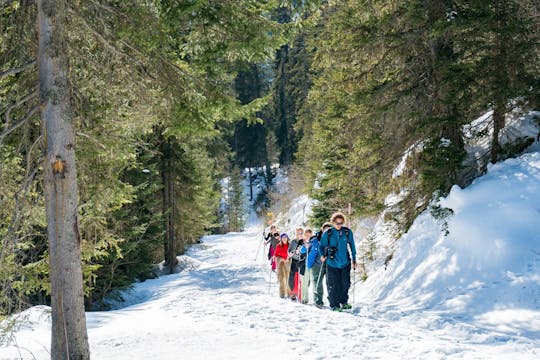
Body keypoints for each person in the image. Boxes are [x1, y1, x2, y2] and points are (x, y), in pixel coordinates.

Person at [319, 212, 357, 311]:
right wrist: (322, 255)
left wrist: (354, 259)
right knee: (334, 284)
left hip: (345, 263)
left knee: (345, 283)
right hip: (332, 263)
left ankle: (344, 302)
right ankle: (334, 304)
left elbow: (352, 246)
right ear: (333, 222)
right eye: (337, 223)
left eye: (341, 223)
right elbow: (321, 246)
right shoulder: (328, 233)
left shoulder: (347, 232)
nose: (339, 225)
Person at [299, 228, 324, 307]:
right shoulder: (304, 242)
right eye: (306, 234)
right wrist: (305, 246)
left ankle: (315, 299)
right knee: (305, 282)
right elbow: (302, 251)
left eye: (309, 234)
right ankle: (304, 298)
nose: (308, 235)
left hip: (313, 264)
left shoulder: (314, 241)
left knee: (314, 282)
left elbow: (317, 250)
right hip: (305, 264)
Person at [287, 228, 304, 300]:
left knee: (300, 277)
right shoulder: (293, 241)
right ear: (296, 234)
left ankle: (300, 293)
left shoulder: (304, 241)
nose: (300, 235)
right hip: (294, 261)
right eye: (298, 233)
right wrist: (290, 254)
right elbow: (288, 250)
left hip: (301, 261)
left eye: (301, 233)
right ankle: (292, 293)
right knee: (292, 277)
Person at [273, 233, 291, 298]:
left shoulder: (290, 245)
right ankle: (282, 293)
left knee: (288, 277)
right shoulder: (279, 245)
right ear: (281, 239)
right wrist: (274, 258)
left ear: (287, 238)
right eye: (283, 237)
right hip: (280, 262)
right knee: (281, 278)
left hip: (288, 261)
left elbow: (292, 253)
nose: (284, 239)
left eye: (285, 237)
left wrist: (288, 258)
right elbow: (275, 254)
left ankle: (289, 293)